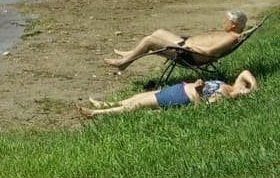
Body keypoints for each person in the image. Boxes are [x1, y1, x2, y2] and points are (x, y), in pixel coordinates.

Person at [105, 9, 248, 69]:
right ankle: (130, 54)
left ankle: (124, 62)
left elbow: (209, 51)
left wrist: (190, 47)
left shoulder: (231, 38)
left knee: (150, 40)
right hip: (186, 46)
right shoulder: (231, 34)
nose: (224, 22)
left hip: (189, 54)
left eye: (226, 21)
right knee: (159, 32)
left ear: (234, 25)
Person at [82, 69, 256, 116]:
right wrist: (254, 87)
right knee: (137, 97)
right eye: (244, 87)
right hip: (179, 87)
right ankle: (103, 104)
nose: (243, 88)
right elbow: (245, 73)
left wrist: (199, 90)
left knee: (136, 105)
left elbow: (200, 108)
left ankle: (97, 113)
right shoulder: (230, 85)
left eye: (243, 91)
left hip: (180, 96)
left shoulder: (223, 96)